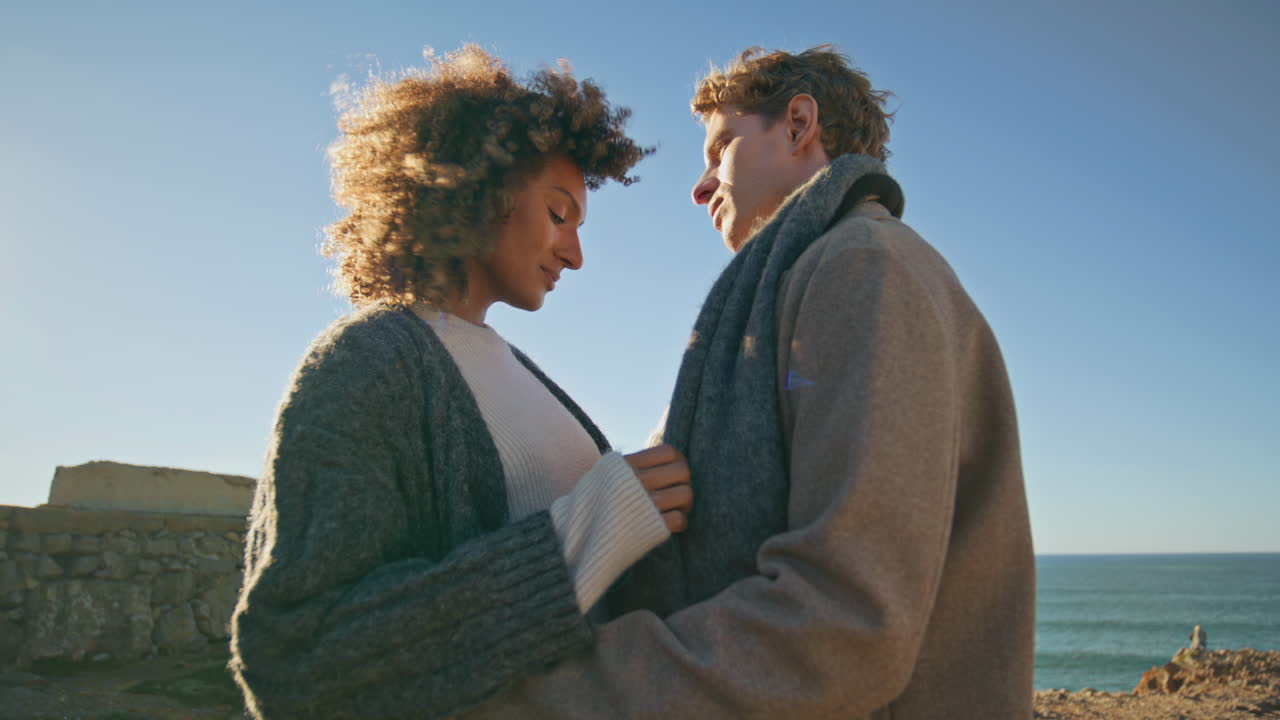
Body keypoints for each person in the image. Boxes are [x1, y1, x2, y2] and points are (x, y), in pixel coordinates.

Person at [461, 45, 1035, 719]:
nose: (700, 186)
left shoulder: (865, 269)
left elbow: (846, 623)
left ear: (798, 125)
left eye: (721, 147)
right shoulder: (819, 276)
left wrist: (535, 700)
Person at [228, 45, 694, 720]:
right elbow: (300, 657)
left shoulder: (521, 371)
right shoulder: (367, 361)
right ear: (477, 186)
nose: (576, 253)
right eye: (559, 214)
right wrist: (588, 531)